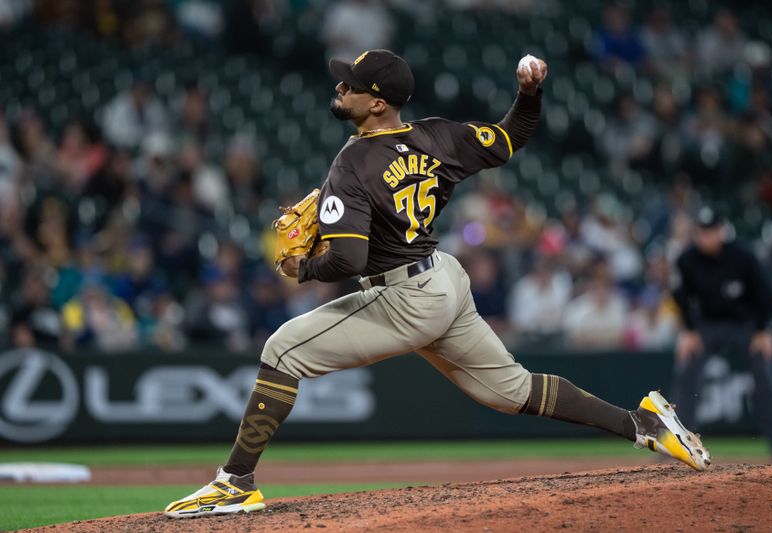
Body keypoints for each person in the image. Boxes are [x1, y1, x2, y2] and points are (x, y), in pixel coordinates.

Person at [165, 50, 710, 518]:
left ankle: (234, 484)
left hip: (403, 296)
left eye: (350, 85)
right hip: (443, 279)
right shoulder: (438, 135)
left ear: (376, 102)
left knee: (281, 349)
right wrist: (529, 92)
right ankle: (644, 423)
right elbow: (512, 137)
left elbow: (348, 257)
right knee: (512, 391)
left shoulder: (352, 161)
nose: (340, 88)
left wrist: (300, 270)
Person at [672, 207, 772, 462]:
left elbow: (765, 294)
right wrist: (688, 331)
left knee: (764, 372)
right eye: (702, 232)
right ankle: (678, 446)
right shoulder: (686, 260)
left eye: (711, 231)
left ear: (721, 231)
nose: (707, 237)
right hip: (706, 325)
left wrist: (763, 330)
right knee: (687, 371)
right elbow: (680, 297)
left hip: (745, 325)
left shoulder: (743, 256)